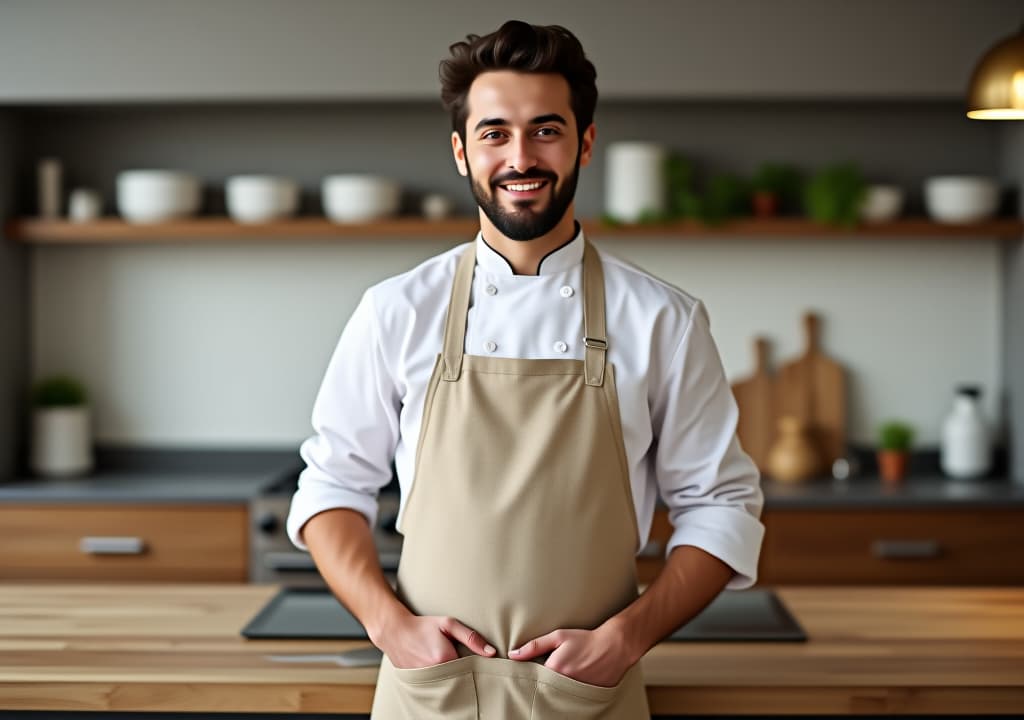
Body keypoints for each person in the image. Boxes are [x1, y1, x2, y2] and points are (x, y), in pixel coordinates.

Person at [287, 19, 764, 719]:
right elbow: (331, 485)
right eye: (494, 133)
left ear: (585, 143)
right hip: (431, 691)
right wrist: (390, 627)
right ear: (461, 152)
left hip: (588, 695)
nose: (521, 156)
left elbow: (720, 506)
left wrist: (626, 638)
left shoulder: (664, 319)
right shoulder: (395, 311)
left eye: (546, 130)